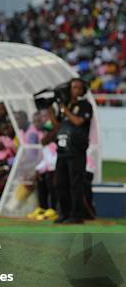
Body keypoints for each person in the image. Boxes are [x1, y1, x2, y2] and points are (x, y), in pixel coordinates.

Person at [42, 78, 93, 224]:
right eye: (73, 87)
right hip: (62, 150)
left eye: (78, 88)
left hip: (76, 151)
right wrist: (51, 110)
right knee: (60, 184)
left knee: (75, 184)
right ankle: (64, 213)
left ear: (83, 91)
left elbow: (78, 122)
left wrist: (64, 108)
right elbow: (57, 126)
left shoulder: (84, 106)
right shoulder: (66, 107)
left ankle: (77, 215)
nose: (74, 90)